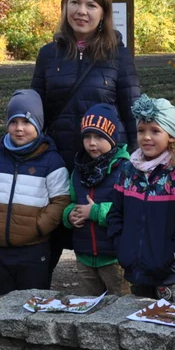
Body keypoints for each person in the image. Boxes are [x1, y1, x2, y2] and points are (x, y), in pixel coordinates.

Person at [32, 0, 141, 276]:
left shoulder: (117, 55)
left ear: (104, 12)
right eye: (75, 3)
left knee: (102, 243)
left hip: (102, 167)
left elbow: (131, 109)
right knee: (50, 238)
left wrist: (135, 159)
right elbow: (36, 111)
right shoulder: (48, 55)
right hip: (58, 162)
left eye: (91, 5)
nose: (82, 11)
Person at [0, 90, 70, 294]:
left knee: (33, 301)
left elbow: (60, 200)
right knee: (4, 300)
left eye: (26, 122)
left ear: (38, 124)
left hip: (33, 248)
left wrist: (39, 226)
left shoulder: (51, 161)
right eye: (13, 122)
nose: (19, 129)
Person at [107, 95, 175, 301]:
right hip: (136, 269)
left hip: (169, 273)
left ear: (171, 135)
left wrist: (172, 253)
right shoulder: (128, 171)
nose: (146, 137)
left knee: (168, 323)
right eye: (141, 130)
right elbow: (116, 213)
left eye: (155, 131)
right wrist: (122, 246)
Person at [63, 104, 131, 296]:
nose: (92, 143)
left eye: (99, 137)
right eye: (87, 136)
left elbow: (129, 209)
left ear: (112, 138)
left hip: (114, 258)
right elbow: (71, 201)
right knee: (89, 306)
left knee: (120, 304)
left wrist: (94, 212)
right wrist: (70, 215)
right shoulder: (78, 170)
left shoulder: (125, 169)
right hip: (84, 256)